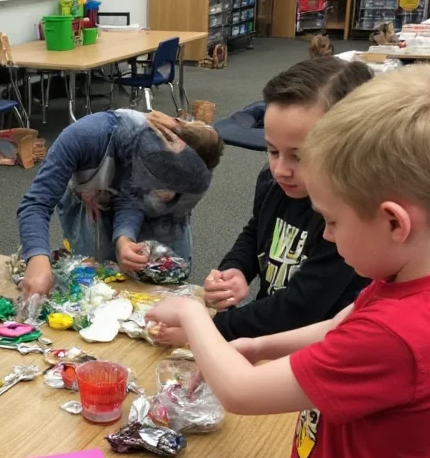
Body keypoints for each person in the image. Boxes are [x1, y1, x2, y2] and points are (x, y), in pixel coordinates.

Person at [146, 65, 430, 458]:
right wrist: (255, 343)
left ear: (394, 221)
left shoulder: (401, 333)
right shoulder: (418, 278)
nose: (331, 238)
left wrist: (191, 316)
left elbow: (241, 393)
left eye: (334, 222)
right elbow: (342, 322)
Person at [159, 57, 372, 343]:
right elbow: (257, 230)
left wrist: (211, 330)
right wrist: (236, 268)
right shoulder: (275, 182)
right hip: (267, 336)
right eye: (272, 151)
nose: (281, 169)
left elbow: (300, 307)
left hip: (313, 349)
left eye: (300, 156)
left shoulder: (351, 220)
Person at [17, 109, 223, 297]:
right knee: (96, 284)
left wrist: (123, 239)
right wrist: (37, 258)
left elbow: (131, 197)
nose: (166, 196)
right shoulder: (85, 137)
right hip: (95, 205)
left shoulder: (191, 157)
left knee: (163, 283)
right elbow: (37, 203)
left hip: (151, 218)